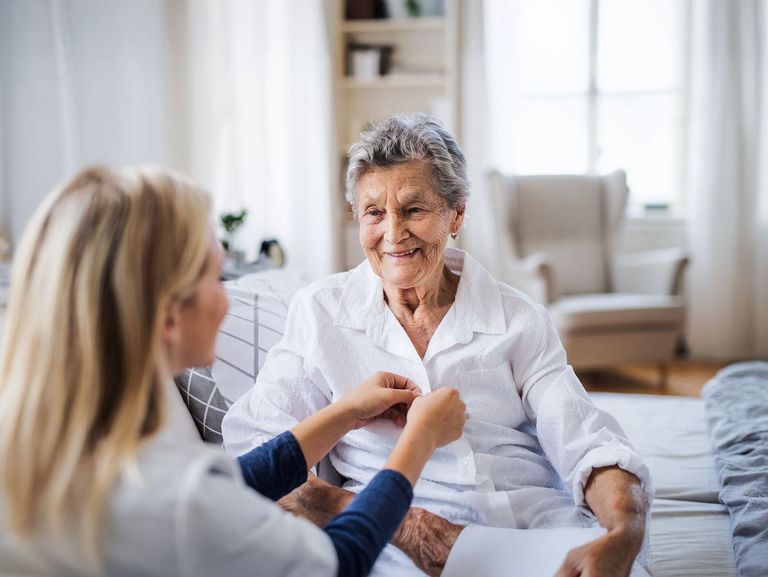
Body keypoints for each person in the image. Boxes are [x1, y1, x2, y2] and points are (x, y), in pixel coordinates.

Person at [223, 113, 654, 577]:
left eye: (413, 210)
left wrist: (623, 537)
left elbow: (588, 443)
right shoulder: (320, 312)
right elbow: (259, 450)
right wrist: (401, 524)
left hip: (528, 530)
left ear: (457, 214)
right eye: (374, 213)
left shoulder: (517, 318)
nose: (392, 234)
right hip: (388, 544)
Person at [0, 165, 467, 577]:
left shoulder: (65, 448)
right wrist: (418, 441)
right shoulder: (180, 504)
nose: (228, 299)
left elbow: (232, 482)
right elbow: (338, 561)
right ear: (167, 315)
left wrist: (344, 411)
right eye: (215, 277)